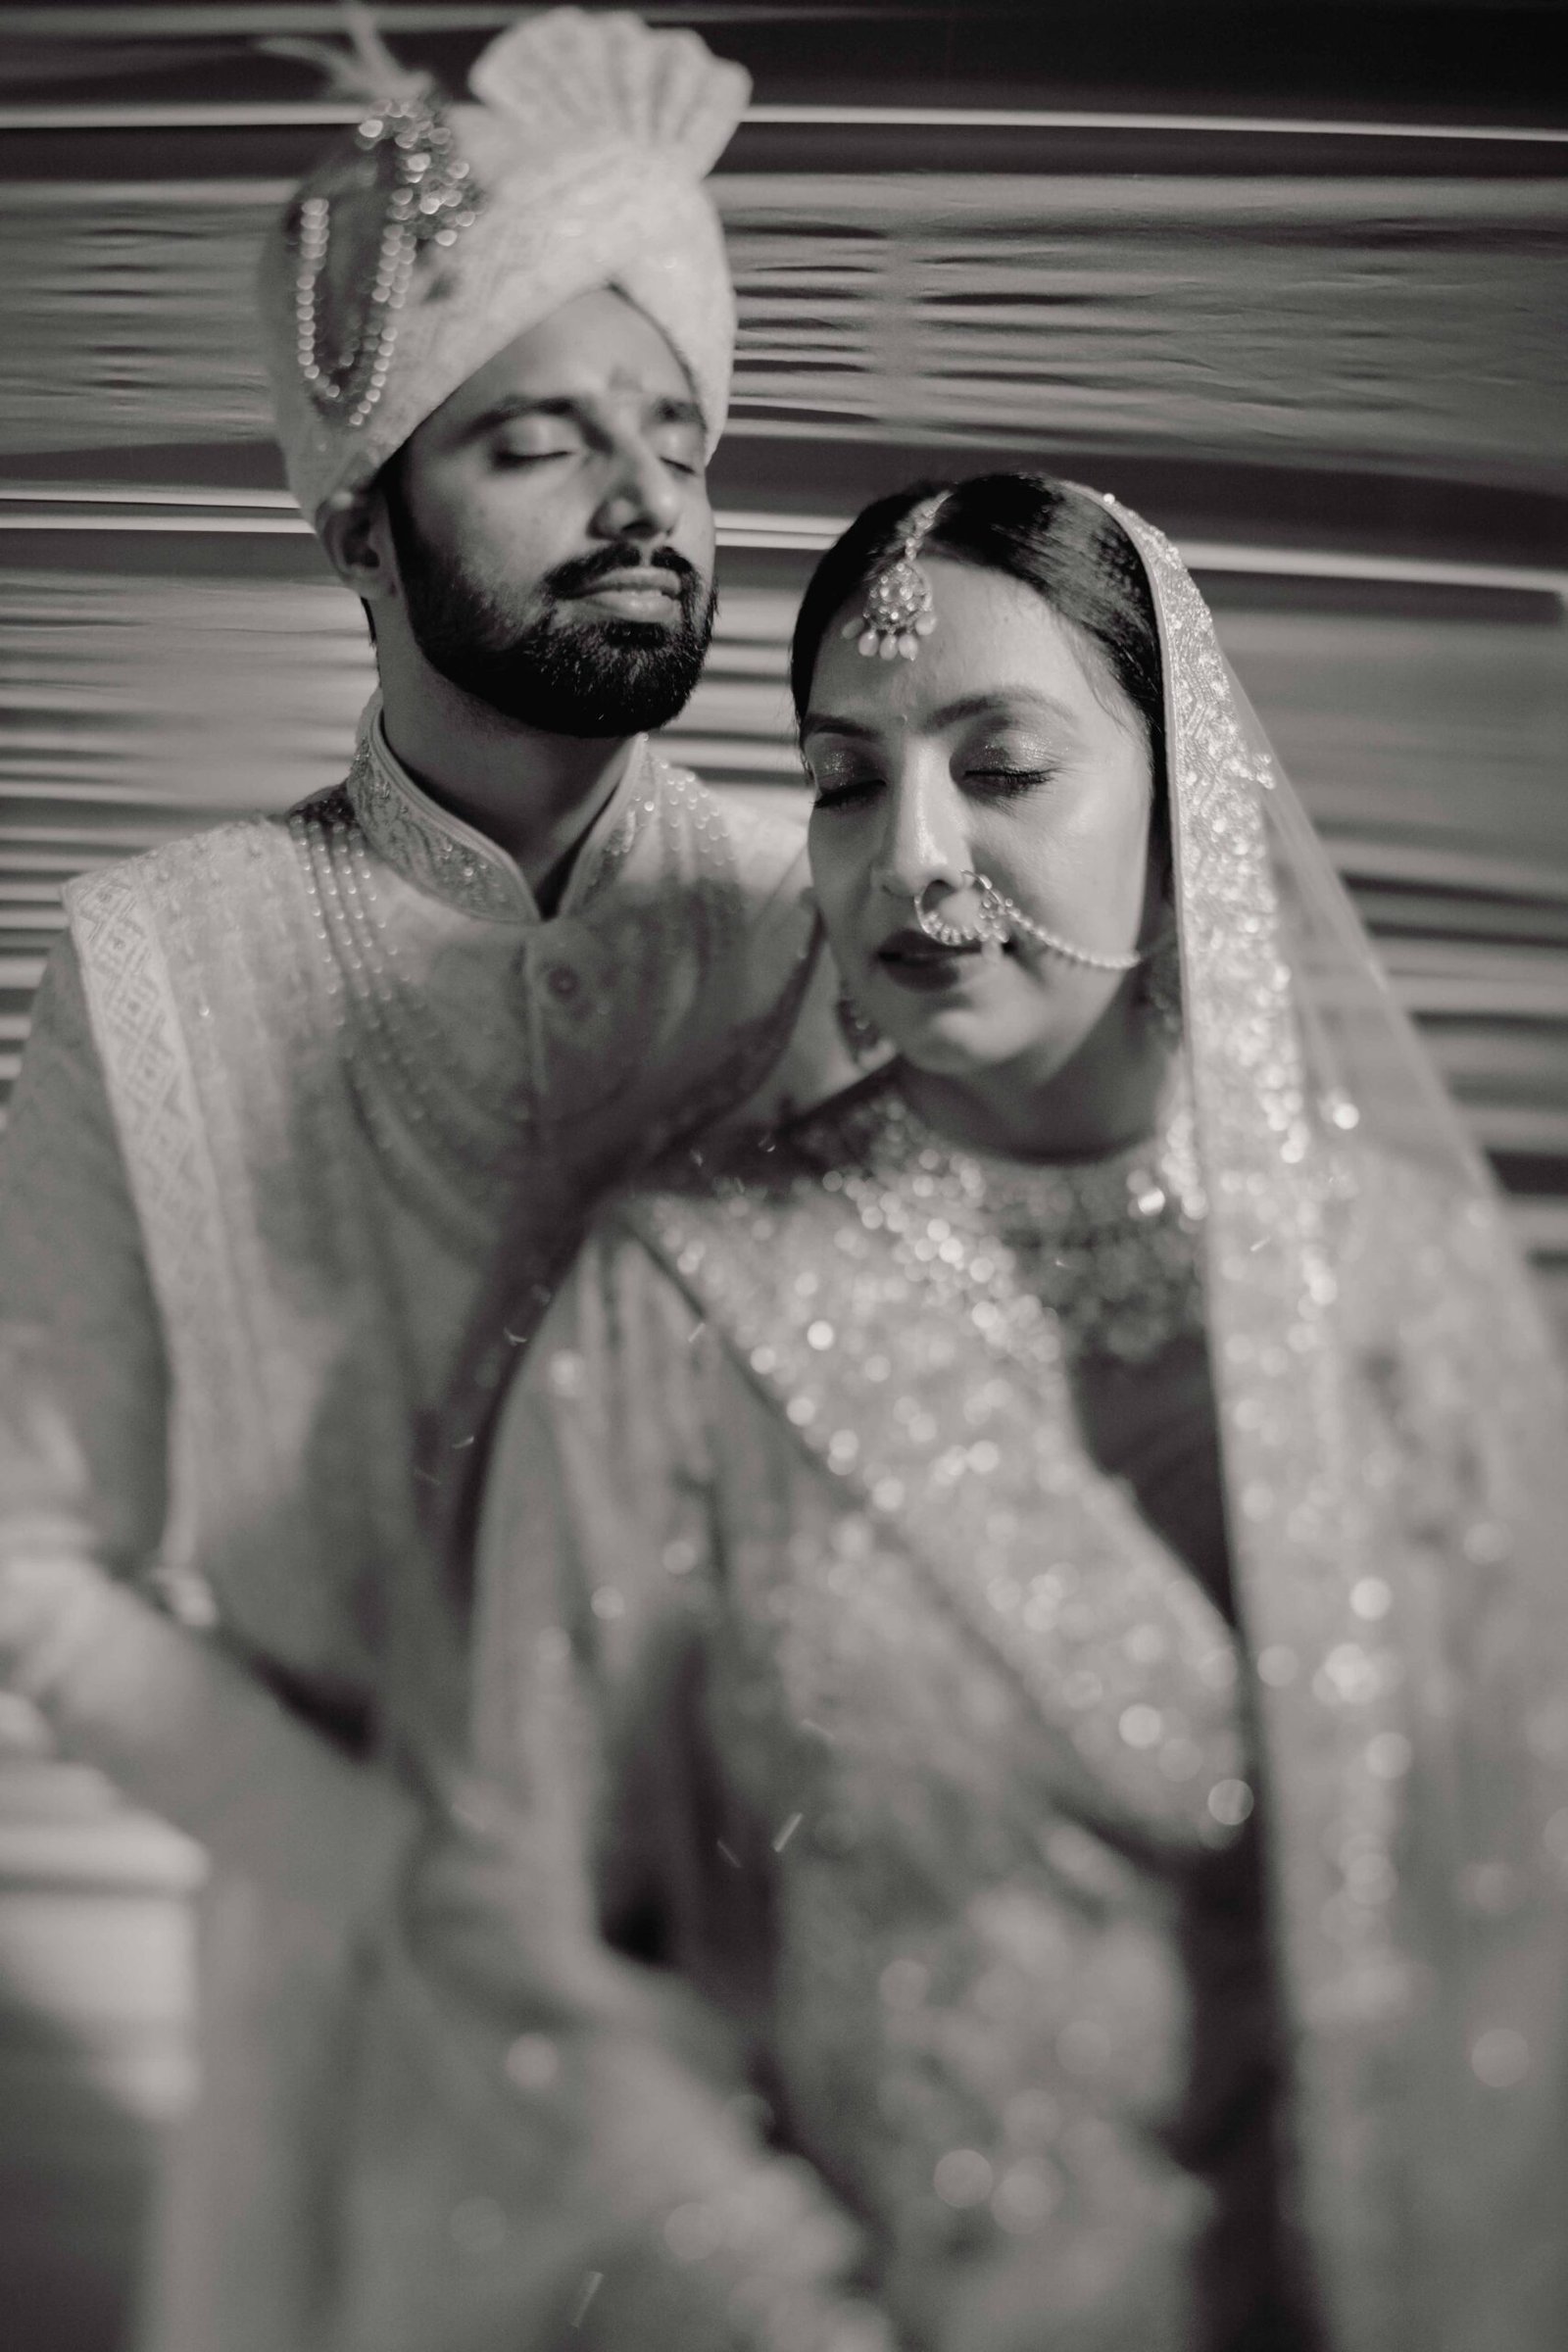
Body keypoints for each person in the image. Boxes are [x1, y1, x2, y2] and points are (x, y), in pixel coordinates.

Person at [341, 472, 1568, 2351]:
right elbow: (510, 1928)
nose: (908, 860)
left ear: (1184, 797)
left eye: (1000, 771)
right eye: (845, 781)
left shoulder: (1407, 1298)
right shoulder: (687, 1302)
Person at [0, 13, 847, 2350]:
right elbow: (38, 1564)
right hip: (362, 2057)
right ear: (358, 522)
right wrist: (408, 1892)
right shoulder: (157, 962)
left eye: (676, 439)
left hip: (786, 2034)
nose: (642, 501)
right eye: (540, 439)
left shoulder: (826, 932)